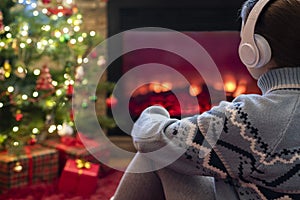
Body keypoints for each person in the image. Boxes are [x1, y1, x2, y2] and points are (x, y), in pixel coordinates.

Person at [112, 0, 300, 199]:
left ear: (254, 51)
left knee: (162, 154)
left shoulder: (250, 119)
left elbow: (152, 140)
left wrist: (154, 113)